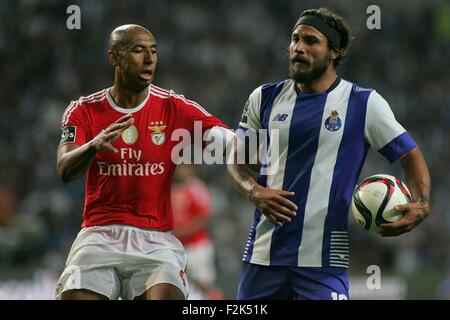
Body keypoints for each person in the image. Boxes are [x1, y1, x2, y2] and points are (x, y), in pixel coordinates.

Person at [227, 8, 431, 300]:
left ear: (334, 52)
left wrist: (422, 204)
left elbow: (411, 155)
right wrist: (254, 191)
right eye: (295, 39)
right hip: (263, 258)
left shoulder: (363, 103)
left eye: (310, 41)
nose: (298, 48)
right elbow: (236, 162)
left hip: (323, 264)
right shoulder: (264, 97)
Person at [55, 24, 228, 300]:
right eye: (138, 50)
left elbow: (225, 138)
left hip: (155, 240)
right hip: (99, 236)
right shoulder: (83, 109)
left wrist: (248, 152)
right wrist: (93, 146)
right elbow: (64, 169)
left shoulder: (173, 106)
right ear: (114, 57)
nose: (149, 59)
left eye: (153, 51)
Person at [171, 164, 224, 300]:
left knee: (200, 288)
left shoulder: (197, 188)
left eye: (184, 166)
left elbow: (204, 218)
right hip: (180, 247)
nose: (180, 170)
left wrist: (181, 231)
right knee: (186, 288)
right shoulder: (176, 188)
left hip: (197, 246)